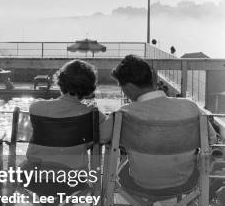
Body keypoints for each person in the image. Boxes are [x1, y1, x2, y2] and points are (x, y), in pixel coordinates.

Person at [105, 55, 216, 194]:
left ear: (129, 87)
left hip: (140, 183)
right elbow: (211, 138)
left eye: (122, 87)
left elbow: (103, 136)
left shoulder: (124, 113)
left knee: (123, 168)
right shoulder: (190, 107)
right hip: (185, 182)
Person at [27, 59, 108, 171]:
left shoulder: (36, 108)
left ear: (60, 82)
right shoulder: (93, 115)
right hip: (73, 182)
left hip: (34, 178)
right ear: (90, 89)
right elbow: (105, 134)